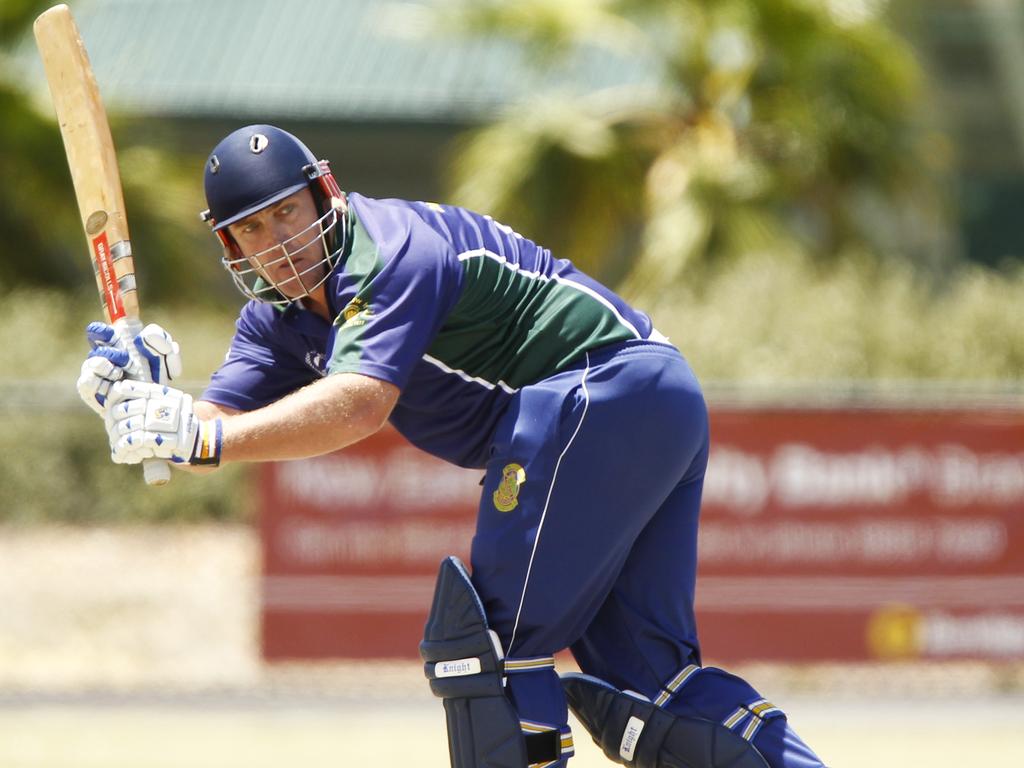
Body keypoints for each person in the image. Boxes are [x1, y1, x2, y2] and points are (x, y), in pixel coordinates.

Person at [77, 124, 826, 768]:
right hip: (636, 408)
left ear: (323, 194)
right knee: (648, 689)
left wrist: (200, 437)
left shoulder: (391, 252)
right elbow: (200, 430)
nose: (280, 244)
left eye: (287, 214)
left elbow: (356, 406)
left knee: (486, 657)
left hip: (605, 392)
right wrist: (142, 400)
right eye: (253, 230)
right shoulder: (274, 323)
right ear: (228, 242)